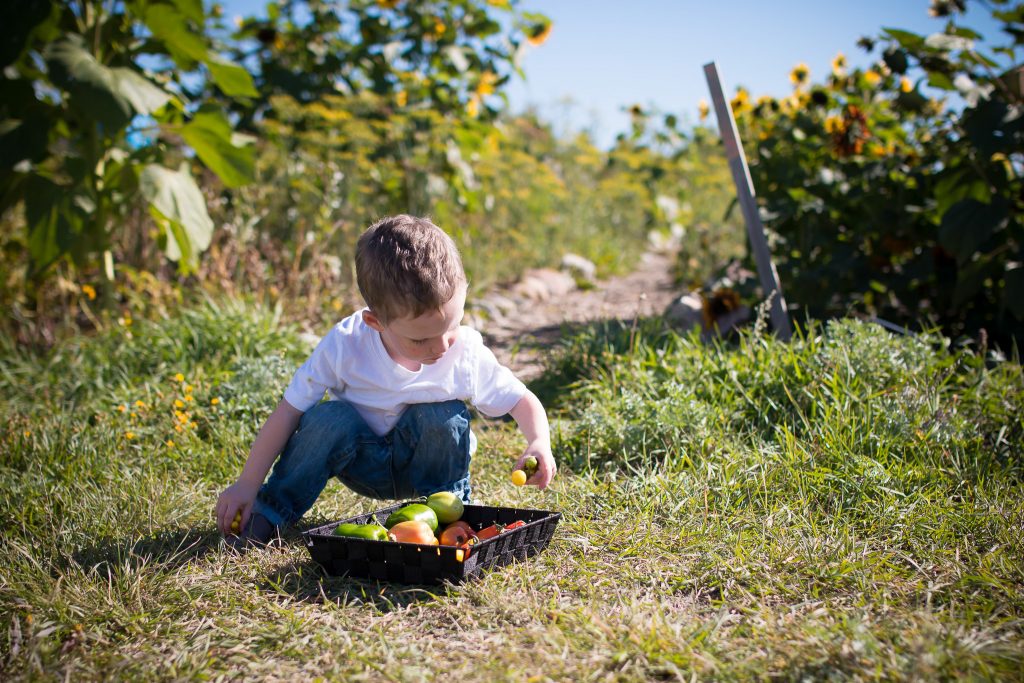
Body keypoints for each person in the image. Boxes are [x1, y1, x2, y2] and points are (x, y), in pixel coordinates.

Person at [215, 214, 555, 548]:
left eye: (450, 327)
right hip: (363, 462)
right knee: (327, 418)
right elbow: (289, 411)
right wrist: (247, 482)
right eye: (420, 341)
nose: (440, 347)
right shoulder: (346, 344)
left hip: (430, 466)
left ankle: (451, 516)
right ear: (375, 322)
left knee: (443, 413)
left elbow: (519, 399)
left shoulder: (463, 351)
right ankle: (270, 512)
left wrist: (539, 440)